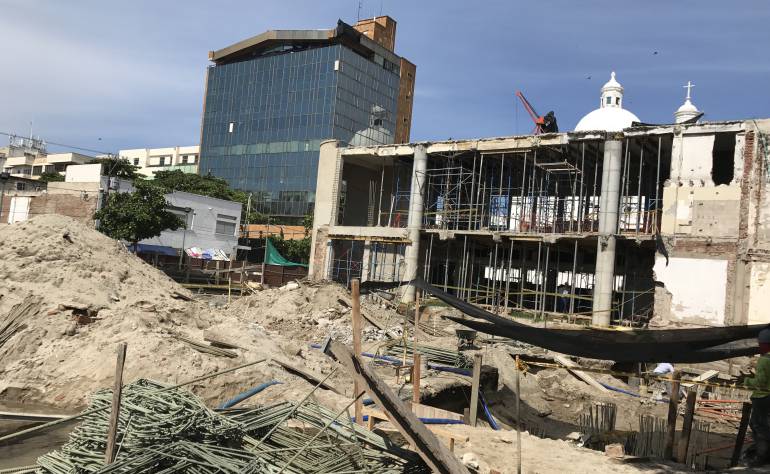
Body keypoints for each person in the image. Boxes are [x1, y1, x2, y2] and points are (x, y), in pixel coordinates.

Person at [744, 328, 770, 466]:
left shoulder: (764, 360)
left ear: (765, 344)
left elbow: (760, 383)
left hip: (762, 397)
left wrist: (747, 381)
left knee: (758, 426)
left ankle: (761, 457)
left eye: (761, 344)